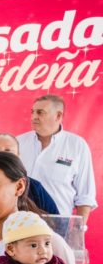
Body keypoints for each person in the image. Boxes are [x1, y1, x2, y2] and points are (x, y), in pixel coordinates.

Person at [16, 94, 97, 225]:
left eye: (40, 112)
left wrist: (78, 229)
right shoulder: (18, 142)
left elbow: (85, 196)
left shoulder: (77, 145)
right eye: (32, 112)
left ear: (58, 116)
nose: (33, 117)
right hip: (19, 221)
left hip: (58, 224)